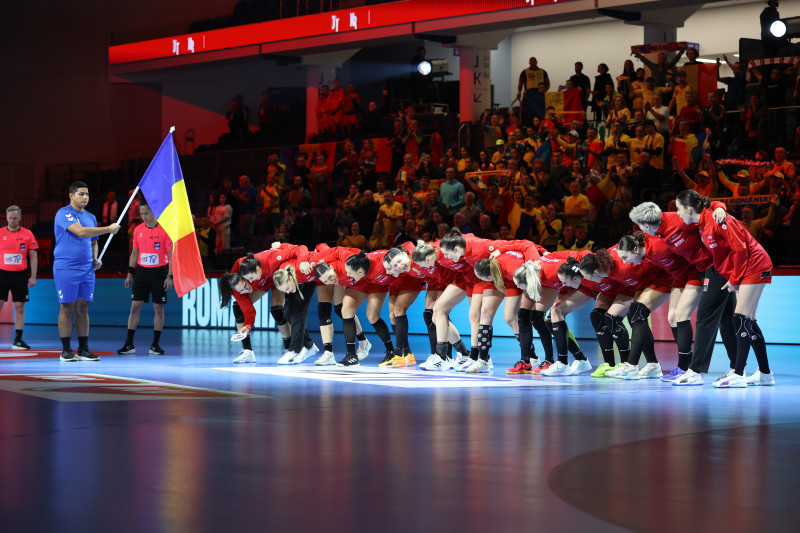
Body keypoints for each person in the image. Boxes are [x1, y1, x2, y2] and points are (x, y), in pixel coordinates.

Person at [675, 190, 775, 387]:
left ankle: (738, 375)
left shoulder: (718, 220)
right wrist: (719, 205)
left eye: (678, 209)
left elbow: (740, 250)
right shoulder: (704, 220)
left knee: (740, 318)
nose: (677, 213)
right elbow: (714, 203)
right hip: (745, 267)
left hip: (754, 264)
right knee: (749, 321)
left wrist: (735, 279)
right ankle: (765, 373)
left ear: (688, 208)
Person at [54, 181, 120, 361]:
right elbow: (81, 232)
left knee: (83, 307)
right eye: (81, 194)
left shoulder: (90, 216)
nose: (85, 197)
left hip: (86, 268)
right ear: (71, 195)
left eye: (87, 194)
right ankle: (66, 350)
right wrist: (108, 228)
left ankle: (83, 349)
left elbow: (94, 241)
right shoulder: (64, 213)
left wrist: (95, 259)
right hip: (66, 267)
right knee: (67, 307)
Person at [117, 199, 173, 356]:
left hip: (159, 273)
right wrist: (130, 274)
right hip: (141, 273)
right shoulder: (137, 230)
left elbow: (171, 254)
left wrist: (170, 276)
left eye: (147, 213)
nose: (144, 217)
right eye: (141, 214)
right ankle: (129, 344)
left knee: (158, 309)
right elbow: (134, 253)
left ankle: (155, 345)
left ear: (154, 211)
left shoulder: (164, 230)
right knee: (134, 308)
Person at [0, 205, 38, 349]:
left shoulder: (28, 234)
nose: (13, 221)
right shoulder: (0, 233)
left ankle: (18, 340)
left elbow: (33, 256)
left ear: (20, 218)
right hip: (2, 273)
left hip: (20, 275)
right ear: (6, 218)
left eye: (15, 218)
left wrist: (33, 276)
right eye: (10, 218)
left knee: (19, 307)